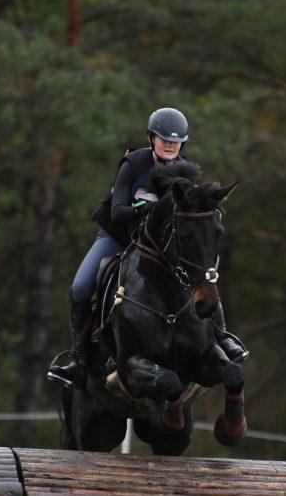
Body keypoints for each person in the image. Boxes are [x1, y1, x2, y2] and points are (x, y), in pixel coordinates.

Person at [46, 107, 248, 387]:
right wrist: (147, 210)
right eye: (164, 139)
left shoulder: (184, 173)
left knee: (202, 272)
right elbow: (117, 212)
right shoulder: (133, 163)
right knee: (80, 287)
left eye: (176, 142)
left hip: (156, 246)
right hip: (117, 237)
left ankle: (222, 337)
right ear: (152, 138)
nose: (170, 145)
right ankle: (79, 361)